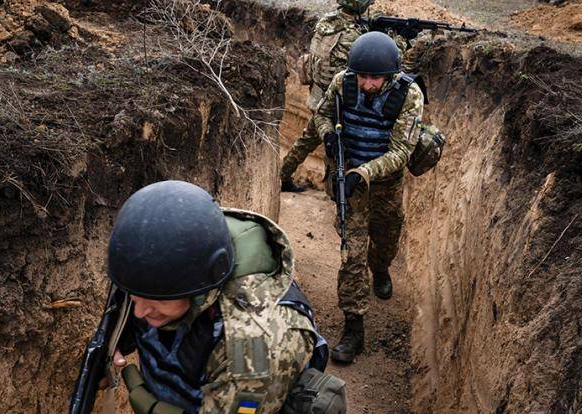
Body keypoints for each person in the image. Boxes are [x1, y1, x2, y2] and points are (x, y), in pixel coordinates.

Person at [104, 180, 335, 413]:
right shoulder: (163, 255)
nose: (139, 312)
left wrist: (144, 398)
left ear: (199, 289)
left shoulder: (256, 346)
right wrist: (115, 342)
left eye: (158, 300)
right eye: (135, 296)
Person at [313, 32, 425, 363]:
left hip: (385, 183)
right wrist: (328, 136)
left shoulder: (409, 95)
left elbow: (403, 150)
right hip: (351, 181)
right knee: (352, 254)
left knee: (387, 240)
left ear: (389, 75)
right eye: (362, 76)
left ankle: (382, 267)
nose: (366, 84)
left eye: (374, 77)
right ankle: (354, 328)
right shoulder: (342, 83)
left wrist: (365, 173)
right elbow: (320, 115)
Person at [279, 0, 373, 192]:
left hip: (318, 95)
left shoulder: (327, 22)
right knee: (337, 147)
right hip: (338, 103)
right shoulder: (354, 35)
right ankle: (336, 192)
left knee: (306, 141)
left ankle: (283, 176)